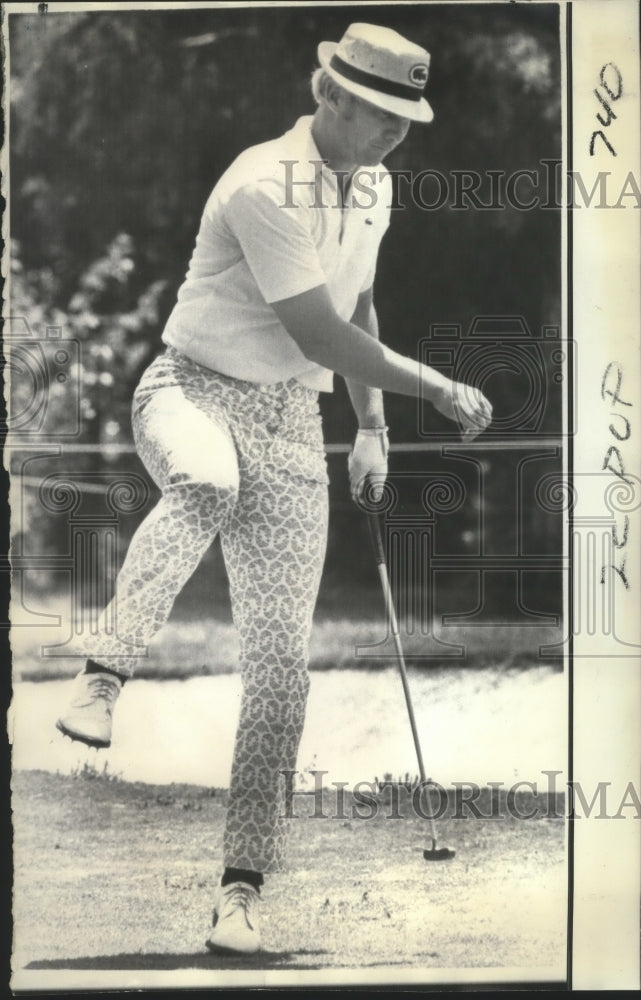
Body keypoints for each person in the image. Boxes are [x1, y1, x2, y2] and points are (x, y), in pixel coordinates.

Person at [56, 22, 492, 955]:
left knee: (280, 673)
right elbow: (319, 335)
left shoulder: (374, 183)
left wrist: (371, 429)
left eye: (406, 117)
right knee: (205, 485)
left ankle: (241, 894)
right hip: (189, 390)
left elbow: (360, 304)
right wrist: (437, 388)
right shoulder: (263, 182)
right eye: (378, 112)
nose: (393, 132)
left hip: (294, 425)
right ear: (325, 92)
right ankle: (103, 674)